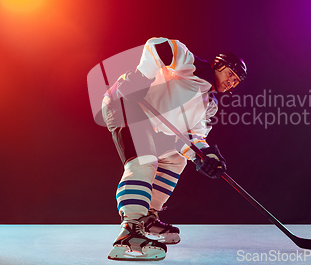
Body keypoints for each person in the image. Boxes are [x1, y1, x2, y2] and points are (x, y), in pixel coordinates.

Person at [101, 37, 246, 261]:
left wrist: (204, 157)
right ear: (219, 65)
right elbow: (158, 46)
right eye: (231, 76)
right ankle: (130, 230)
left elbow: (191, 139)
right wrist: (141, 78)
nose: (232, 84)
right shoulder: (191, 65)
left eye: (236, 82)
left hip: (151, 123)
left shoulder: (210, 105)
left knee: (176, 160)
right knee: (144, 161)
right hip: (125, 102)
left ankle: (147, 217)